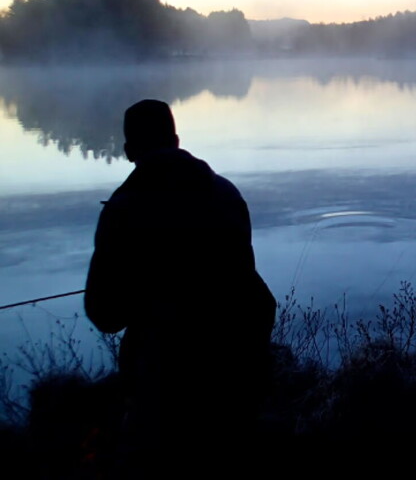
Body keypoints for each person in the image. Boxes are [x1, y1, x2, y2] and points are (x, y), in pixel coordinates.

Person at [84, 99, 276, 476]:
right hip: (237, 368)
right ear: (175, 140)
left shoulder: (122, 210)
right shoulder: (226, 193)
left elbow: (105, 315)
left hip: (163, 383)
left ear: (128, 151)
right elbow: (244, 273)